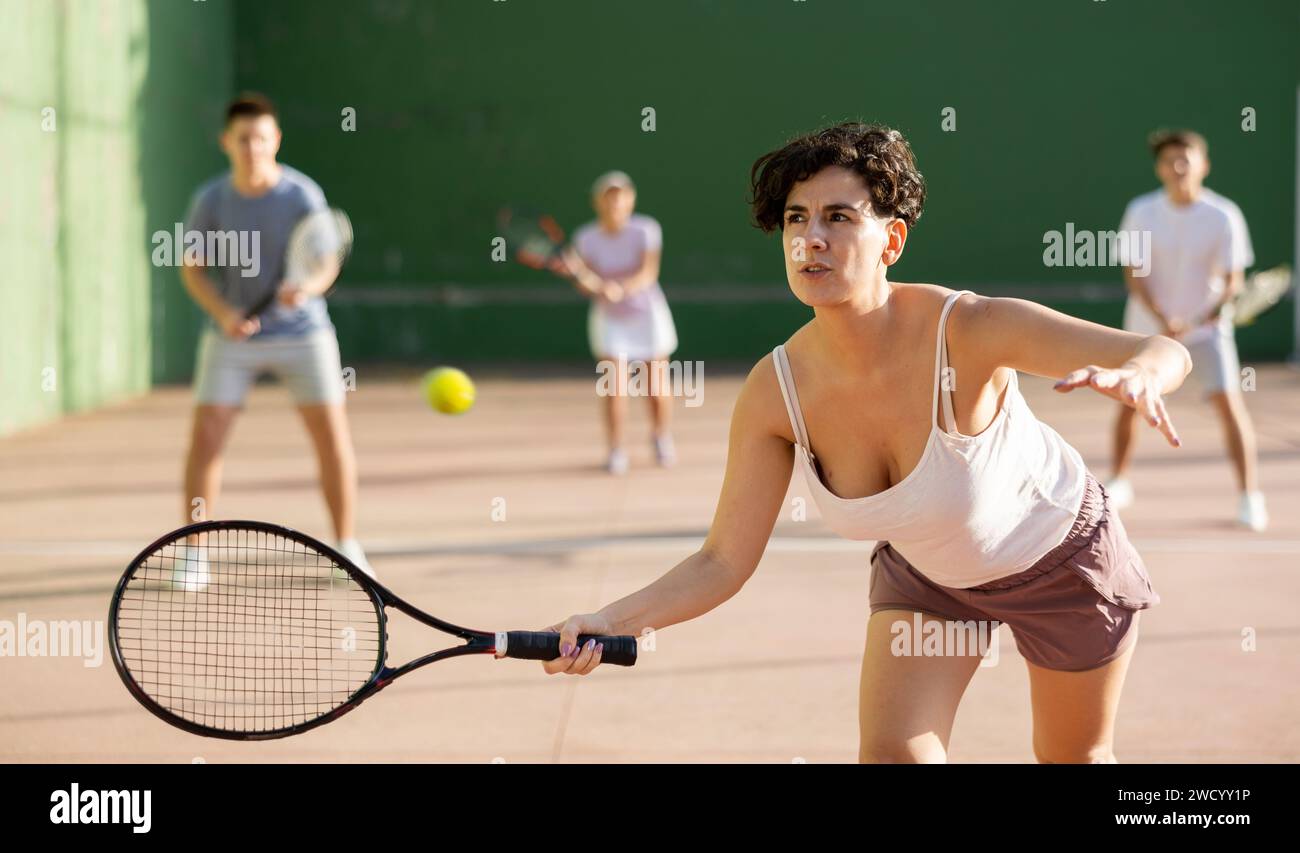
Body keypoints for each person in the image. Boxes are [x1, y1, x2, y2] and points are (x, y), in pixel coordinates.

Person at [539, 123, 1192, 764]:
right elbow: (722, 561)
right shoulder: (777, 390)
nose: (810, 239)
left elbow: (1161, 349)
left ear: (892, 239)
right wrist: (611, 618)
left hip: (1063, 564)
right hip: (931, 579)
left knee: (1071, 756)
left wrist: (1140, 375)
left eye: (838, 218)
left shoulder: (970, 329)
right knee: (891, 756)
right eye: (796, 219)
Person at [176, 92, 372, 589]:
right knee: (207, 437)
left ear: (275, 140)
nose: (253, 147)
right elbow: (193, 269)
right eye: (243, 139)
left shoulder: (302, 194)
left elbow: (326, 262)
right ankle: (195, 551)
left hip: (303, 334)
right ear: (227, 142)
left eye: (261, 138)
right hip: (232, 336)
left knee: (331, 437)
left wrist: (305, 287)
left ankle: (346, 547)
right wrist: (224, 313)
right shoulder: (211, 199)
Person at [1106, 129, 1266, 531]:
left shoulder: (1223, 215)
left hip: (1208, 332)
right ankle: (1119, 481)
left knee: (1230, 407)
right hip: (1147, 331)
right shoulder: (1141, 211)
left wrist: (1204, 314)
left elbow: (1232, 281)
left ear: (1203, 165)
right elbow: (1134, 273)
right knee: (1128, 402)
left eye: (1186, 159)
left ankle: (1250, 497)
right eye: (1169, 161)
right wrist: (1163, 320)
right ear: (1160, 168)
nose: (1178, 167)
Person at [555, 172, 679, 475]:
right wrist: (579, 277)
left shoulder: (647, 229)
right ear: (598, 202)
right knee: (614, 387)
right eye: (609, 196)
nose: (615, 202)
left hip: (647, 314)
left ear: (630, 199)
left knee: (655, 387)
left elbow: (648, 273)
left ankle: (660, 436)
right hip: (610, 320)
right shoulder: (585, 237)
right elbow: (586, 282)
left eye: (620, 195)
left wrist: (620, 288)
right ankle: (616, 449)